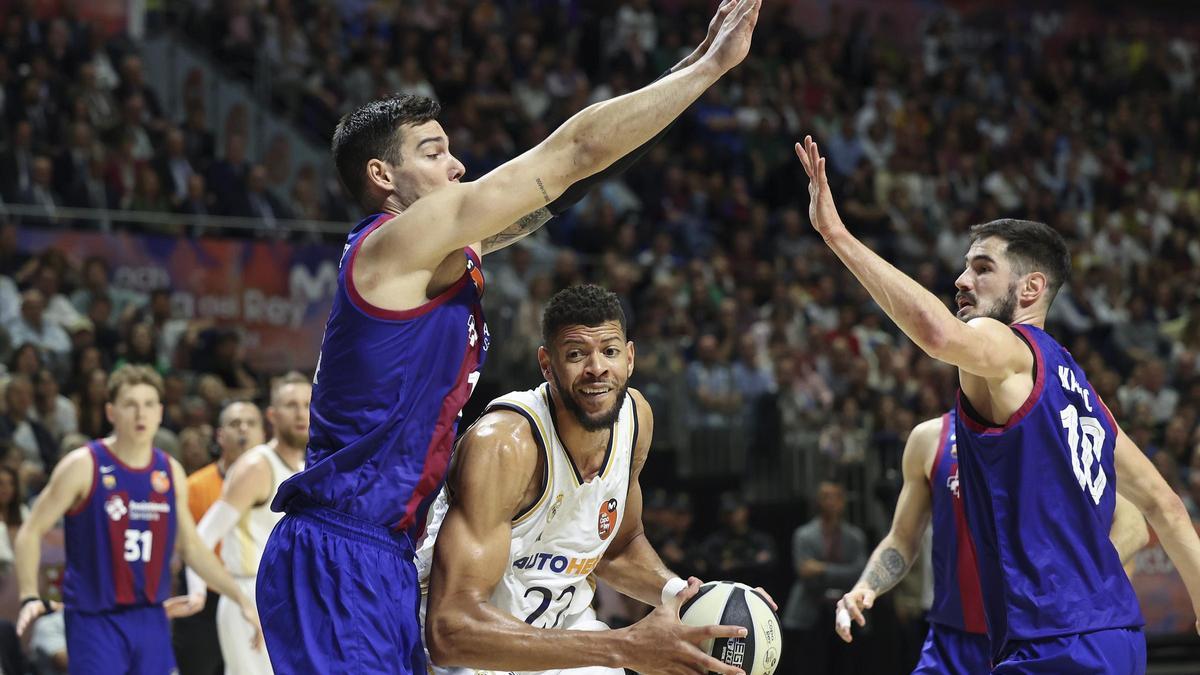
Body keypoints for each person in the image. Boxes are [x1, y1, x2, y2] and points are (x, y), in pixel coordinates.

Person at [257, 1, 762, 672]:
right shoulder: (392, 245)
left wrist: (688, 67)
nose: (458, 164)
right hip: (340, 549)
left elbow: (571, 184)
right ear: (383, 176)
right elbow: (570, 151)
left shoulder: (434, 258)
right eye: (434, 152)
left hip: (379, 554)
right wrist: (710, 71)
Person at [795, 136, 1200, 671]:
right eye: (965, 267)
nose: (962, 281)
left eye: (982, 268)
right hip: (1111, 637)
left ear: (1030, 289)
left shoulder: (1008, 347)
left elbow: (938, 336)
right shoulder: (1079, 390)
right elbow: (1165, 508)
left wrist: (837, 235)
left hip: (1054, 643)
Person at [418, 285, 755, 675]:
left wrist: (694, 598)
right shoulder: (504, 446)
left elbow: (618, 548)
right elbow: (451, 631)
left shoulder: (635, 420)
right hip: (474, 655)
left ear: (629, 358)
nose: (597, 368)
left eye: (609, 351)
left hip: (564, 643)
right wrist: (624, 646)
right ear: (547, 364)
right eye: (576, 355)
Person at [835, 409, 1150, 673]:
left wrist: (1078, 580)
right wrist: (867, 586)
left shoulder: (1056, 430)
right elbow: (902, 537)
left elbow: (1134, 525)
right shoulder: (930, 437)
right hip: (951, 644)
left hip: (1037, 641)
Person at [12, 365, 262, 675]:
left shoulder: (170, 471)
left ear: (160, 412)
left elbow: (193, 548)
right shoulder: (83, 465)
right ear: (111, 412)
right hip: (95, 618)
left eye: (148, 404)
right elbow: (31, 530)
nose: (140, 414)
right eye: (130, 404)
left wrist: (239, 596)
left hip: (150, 618)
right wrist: (28, 595)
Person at [177, 373, 309, 675]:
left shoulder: (307, 465)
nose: (301, 413)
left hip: (291, 598)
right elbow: (202, 537)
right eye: (291, 405)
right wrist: (198, 593)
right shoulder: (256, 466)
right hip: (248, 597)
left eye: (306, 404)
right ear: (272, 416)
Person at [174, 399, 265, 675]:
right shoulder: (196, 486)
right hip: (206, 596)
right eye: (235, 423)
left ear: (263, 433)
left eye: (251, 423)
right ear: (220, 435)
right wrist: (196, 590)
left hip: (255, 595)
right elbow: (184, 544)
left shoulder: (280, 481)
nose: (244, 430)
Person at [782, 480, 866, 675]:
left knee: (846, 667)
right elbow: (805, 574)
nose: (830, 502)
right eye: (825, 497)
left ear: (843, 501)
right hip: (810, 610)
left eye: (835, 496)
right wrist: (840, 572)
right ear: (817, 501)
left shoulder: (855, 537)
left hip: (845, 610)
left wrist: (822, 569)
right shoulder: (803, 535)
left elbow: (859, 574)